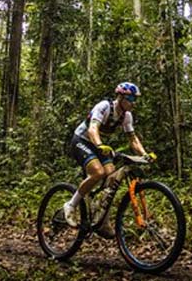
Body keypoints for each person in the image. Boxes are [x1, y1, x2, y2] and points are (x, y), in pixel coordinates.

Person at [63, 82, 154, 238]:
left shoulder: (126, 116)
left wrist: (145, 154)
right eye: (131, 98)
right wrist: (99, 145)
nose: (133, 102)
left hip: (98, 144)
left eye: (135, 99)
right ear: (120, 97)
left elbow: (132, 139)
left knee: (111, 175)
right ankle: (71, 205)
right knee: (98, 172)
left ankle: (101, 217)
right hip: (81, 140)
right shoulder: (104, 107)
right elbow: (92, 129)